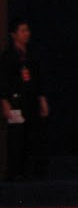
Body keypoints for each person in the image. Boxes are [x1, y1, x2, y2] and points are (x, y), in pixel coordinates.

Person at [0, 20, 49, 180]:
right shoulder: (7, 56)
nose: (26, 34)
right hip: (15, 101)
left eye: (27, 30)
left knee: (32, 136)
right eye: (22, 31)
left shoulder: (32, 55)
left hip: (31, 100)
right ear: (13, 34)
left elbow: (38, 79)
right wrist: (5, 102)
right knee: (16, 137)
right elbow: (3, 81)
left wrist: (42, 99)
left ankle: (31, 172)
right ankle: (15, 173)